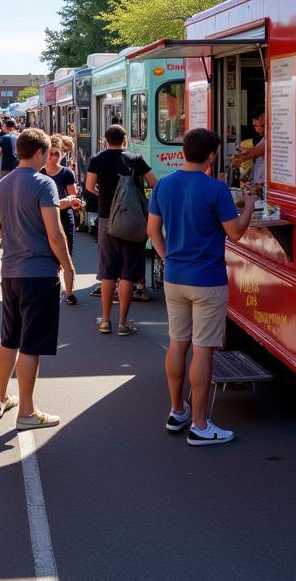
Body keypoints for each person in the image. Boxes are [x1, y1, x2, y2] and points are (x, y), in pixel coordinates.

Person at [147, 127, 253, 446]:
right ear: (211, 156)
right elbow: (235, 233)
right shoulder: (216, 189)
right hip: (207, 279)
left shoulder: (163, 185)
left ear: (183, 151)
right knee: (203, 348)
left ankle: (177, 409)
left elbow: (153, 231)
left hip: (175, 276)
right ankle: (200, 424)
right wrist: (248, 204)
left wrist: (168, 258)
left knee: (178, 343)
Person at [0, 128, 75, 429]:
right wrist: (68, 267)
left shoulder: (3, 183)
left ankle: (0, 398)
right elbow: (55, 233)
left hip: (10, 271)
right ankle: (27, 411)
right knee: (31, 344)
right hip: (38, 273)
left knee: (9, 338)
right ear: (39, 153)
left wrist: (17, 229)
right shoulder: (44, 183)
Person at [85, 124, 158, 335]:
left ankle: (105, 321)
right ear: (124, 140)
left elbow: (89, 187)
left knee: (108, 271)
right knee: (128, 273)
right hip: (133, 220)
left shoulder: (97, 159)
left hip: (108, 219)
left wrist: (106, 196)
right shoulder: (135, 159)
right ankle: (123, 323)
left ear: (105, 139)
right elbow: (153, 183)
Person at [40, 137, 81, 304]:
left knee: (66, 256)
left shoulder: (66, 173)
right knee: (48, 257)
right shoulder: (40, 173)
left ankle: (70, 294)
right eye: (51, 154)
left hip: (64, 218)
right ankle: (52, 289)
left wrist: (76, 204)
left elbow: (74, 197)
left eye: (57, 154)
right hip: (44, 219)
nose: (54, 157)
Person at [232, 106, 266, 191]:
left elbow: (262, 150)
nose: (259, 129)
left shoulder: (274, 139)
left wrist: (245, 154)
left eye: (263, 125)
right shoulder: (263, 139)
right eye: (255, 126)